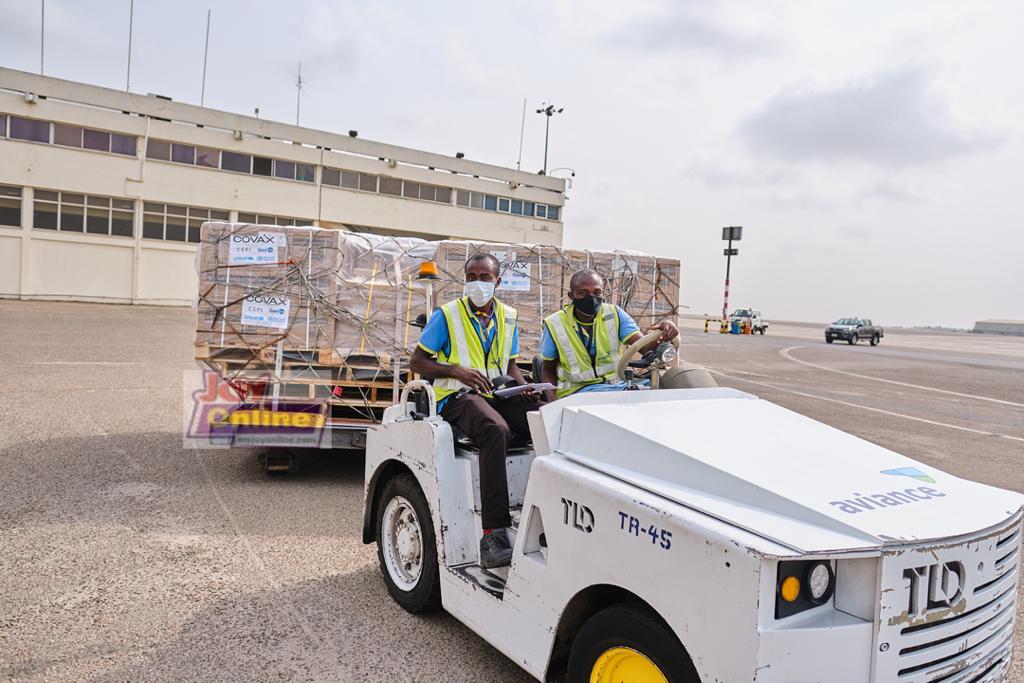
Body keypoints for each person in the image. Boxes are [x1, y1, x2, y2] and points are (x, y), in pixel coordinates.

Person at [410, 253, 542, 569]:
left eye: (485, 277)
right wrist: (456, 371)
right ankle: (492, 534)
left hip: (498, 390)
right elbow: (417, 362)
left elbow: (509, 364)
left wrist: (523, 386)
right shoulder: (447, 315)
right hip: (458, 397)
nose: (478, 283)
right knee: (495, 429)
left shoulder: (508, 316)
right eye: (472, 276)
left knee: (543, 415)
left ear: (497, 281)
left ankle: (544, 508)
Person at [540, 268, 678, 401]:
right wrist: (552, 401)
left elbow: (644, 348)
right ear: (571, 295)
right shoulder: (555, 323)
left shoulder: (614, 314)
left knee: (668, 388)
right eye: (583, 292)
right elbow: (548, 369)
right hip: (578, 392)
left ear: (603, 294)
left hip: (616, 387)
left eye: (597, 292)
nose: (591, 298)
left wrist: (665, 330)